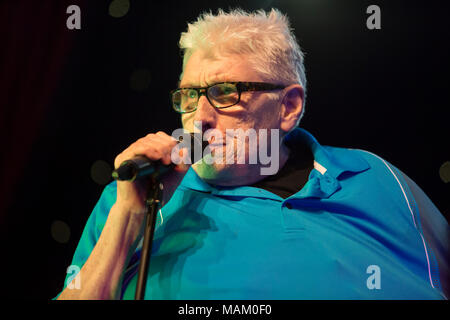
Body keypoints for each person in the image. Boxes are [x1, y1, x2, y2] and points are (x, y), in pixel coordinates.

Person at [56, 8, 448, 300]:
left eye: (225, 93)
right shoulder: (138, 194)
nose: (199, 118)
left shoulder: (378, 177)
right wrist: (129, 216)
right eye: (189, 96)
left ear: (288, 107)